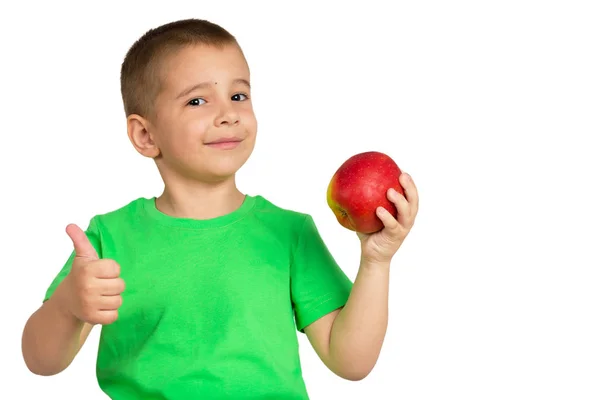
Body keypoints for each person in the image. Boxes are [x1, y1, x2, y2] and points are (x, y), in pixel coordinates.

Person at [21, 18, 419, 399]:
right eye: (197, 100)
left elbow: (350, 361)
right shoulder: (109, 238)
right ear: (145, 135)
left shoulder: (290, 232)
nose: (228, 113)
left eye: (239, 96)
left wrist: (376, 261)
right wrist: (68, 306)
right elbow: (41, 362)